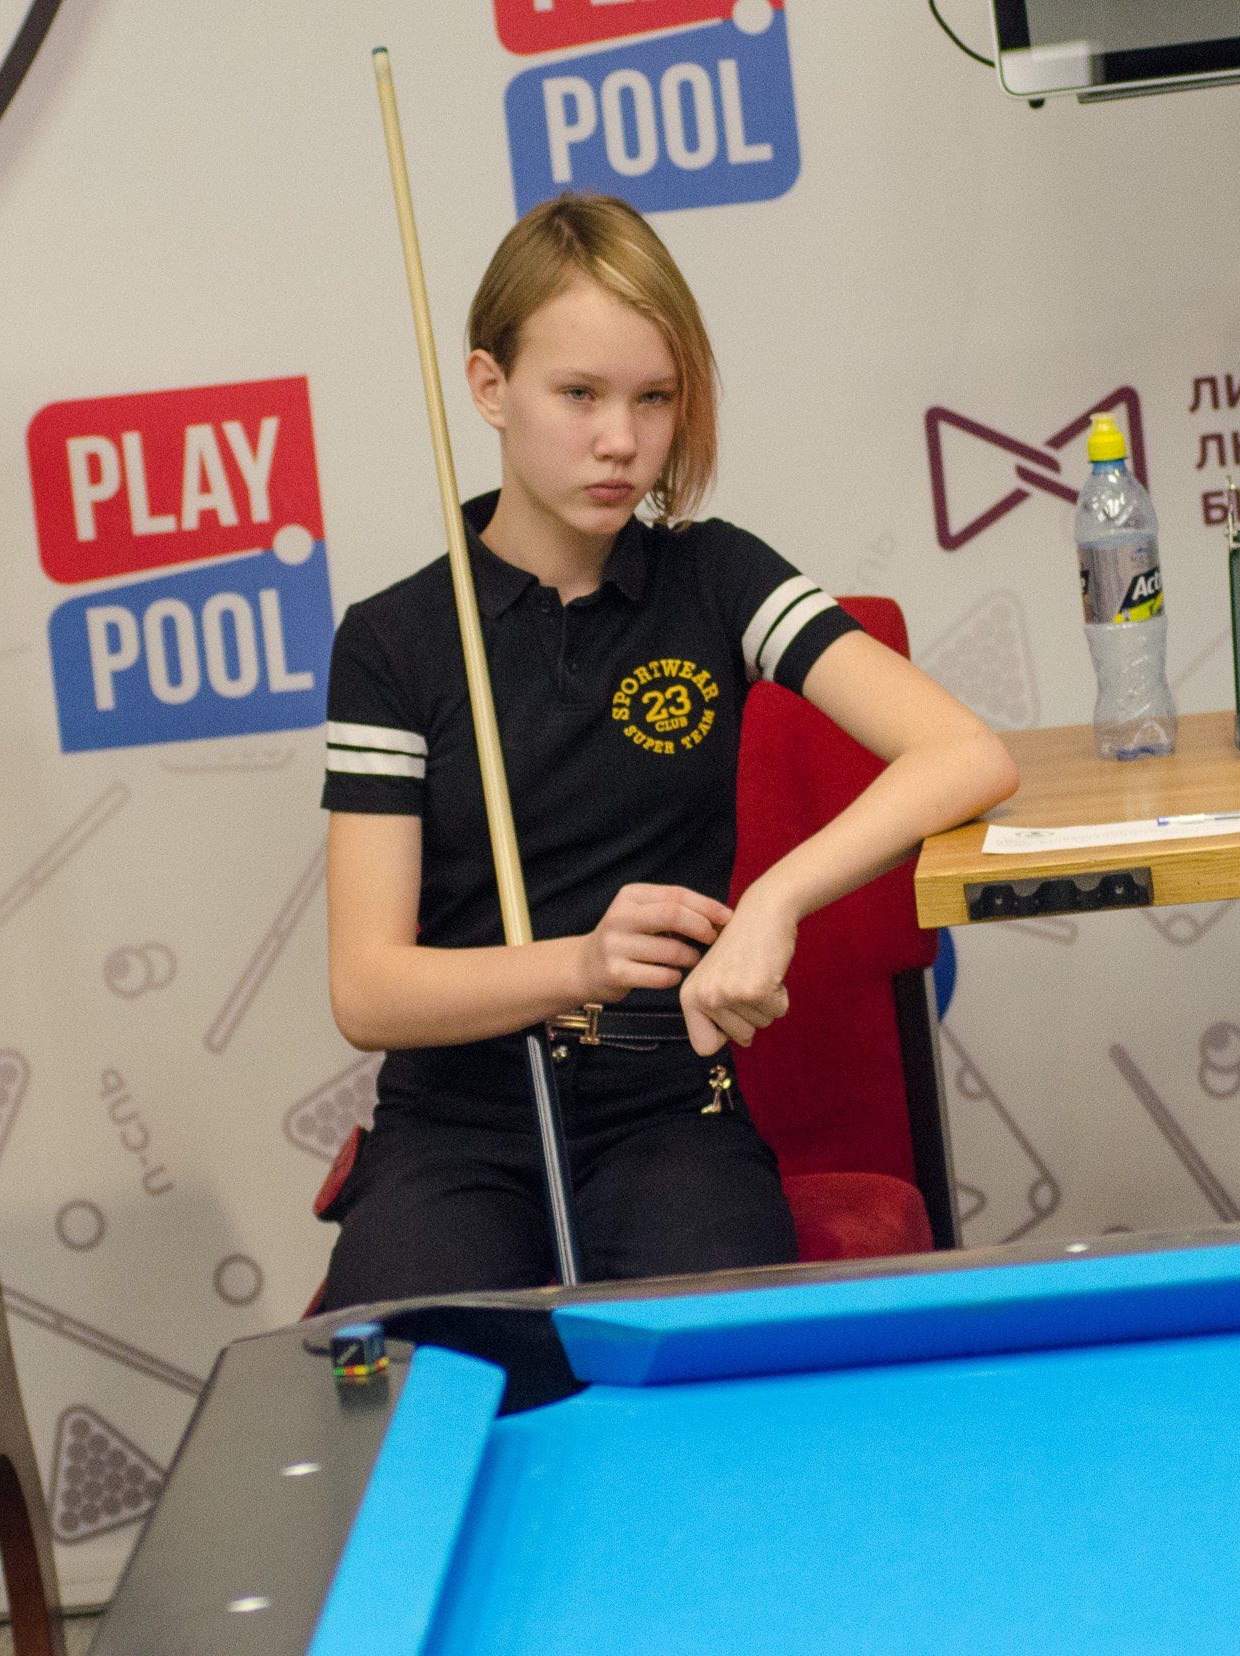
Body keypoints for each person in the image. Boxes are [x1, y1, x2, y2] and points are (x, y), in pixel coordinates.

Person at [316, 194, 1017, 1303]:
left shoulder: (716, 577)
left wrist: (776, 900)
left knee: (714, 1364)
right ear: (490, 387)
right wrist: (584, 965)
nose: (621, 441)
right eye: (579, 394)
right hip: (454, 1131)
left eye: (654, 397)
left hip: (668, 1111)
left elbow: (965, 754)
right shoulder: (394, 640)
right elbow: (368, 991)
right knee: (416, 1374)